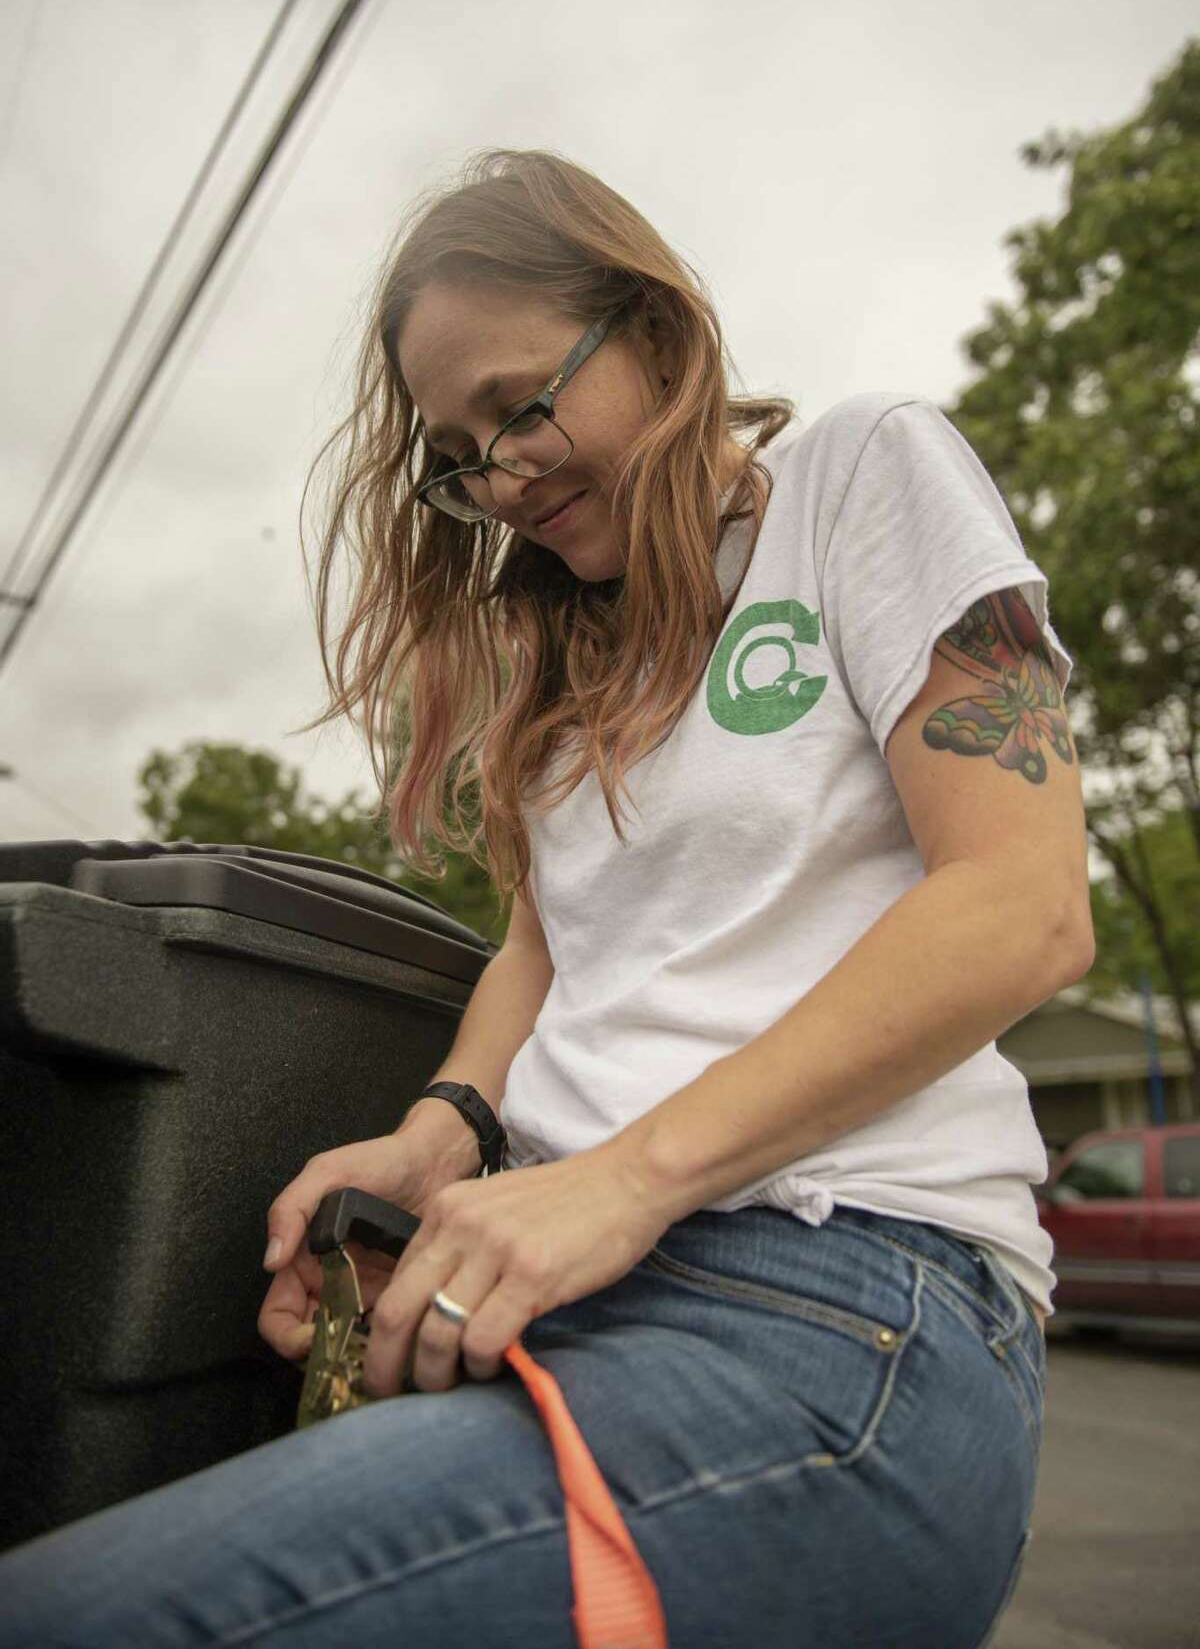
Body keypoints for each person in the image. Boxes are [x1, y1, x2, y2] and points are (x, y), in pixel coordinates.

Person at [0, 149, 1091, 1646]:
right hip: (561, 1292)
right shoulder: (572, 665)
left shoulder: (862, 474)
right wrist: (441, 1135)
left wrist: (619, 1184)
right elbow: (546, 946)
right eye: (462, 452)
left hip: (835, 1290)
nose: (501, 476)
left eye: (521, 404)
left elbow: (1019, 908)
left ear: (653, 330)